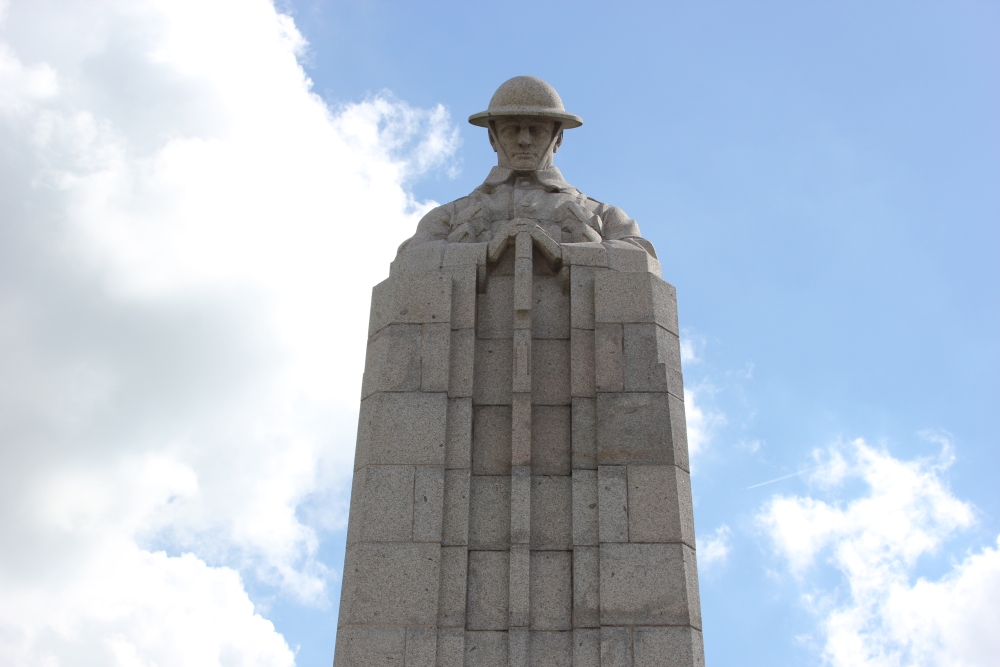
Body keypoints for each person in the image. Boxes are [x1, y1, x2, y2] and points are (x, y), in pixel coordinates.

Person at [398, 75, 656, 260]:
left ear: (558, 139)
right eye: (512, 130)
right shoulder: (451, 215)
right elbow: (411, 258)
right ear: (492, 138)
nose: (524, 140)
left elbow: (641, 258)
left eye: (537, 130)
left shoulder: (603, 215)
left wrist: (568, 251)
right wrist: (483, 249)